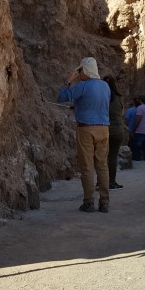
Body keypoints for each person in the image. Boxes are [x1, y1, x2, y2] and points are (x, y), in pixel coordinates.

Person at [57, 57, 111, 213]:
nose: (79, 73)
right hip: (104, 129)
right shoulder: (105, 86)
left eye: (80, 70)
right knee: (102, 167)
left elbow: (61, 97)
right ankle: (104, 202)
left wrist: (69, 80)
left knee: (87, 167)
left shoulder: (82, 86)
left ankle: (89, 202)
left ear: (86, 71)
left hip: (86, 129)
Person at [103, 75, 124, 189]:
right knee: (113, 157)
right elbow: (121, 113)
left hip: (104, 128)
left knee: (101, 156)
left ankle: (101, 181)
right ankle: (111, 182)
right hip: (118, 130)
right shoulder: (119, 97)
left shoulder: (101, 96)